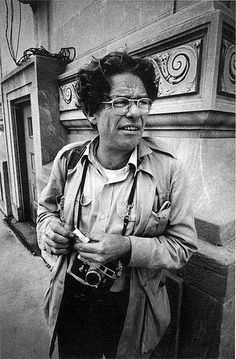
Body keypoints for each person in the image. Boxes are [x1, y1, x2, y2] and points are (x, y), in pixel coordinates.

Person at [37, 51, 198, 359]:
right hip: (71, 293)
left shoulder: (168, 170)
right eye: (122, 102)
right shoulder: (68, 160)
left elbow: (183, 247)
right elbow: (46, 211)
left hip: (129, 304)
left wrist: (127, 247)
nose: (135, 113)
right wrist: (49, 231)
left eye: (142, 102)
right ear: (92, 113)